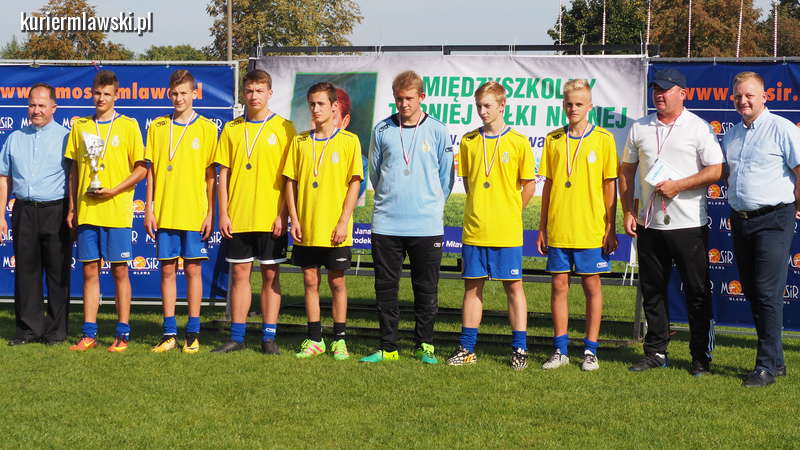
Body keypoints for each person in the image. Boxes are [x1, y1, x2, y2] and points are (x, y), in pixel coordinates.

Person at [620, 68, 723, 376]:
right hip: (650, 223)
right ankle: (655, 351)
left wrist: (680, 185)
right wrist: (628, 211)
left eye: (665, 90)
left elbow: (717, 170)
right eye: (656, 89)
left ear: (683, 93)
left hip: (688, 224)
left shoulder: (698, 128)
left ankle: (700, 357)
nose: (659, 95)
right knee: (652, 290)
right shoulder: (640, 127)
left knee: (696, 291)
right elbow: (626, 171)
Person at [360, 70, 454, 364]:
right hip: (387, 223)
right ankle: (388, 347)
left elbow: (446, 177)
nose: (404, 104)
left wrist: (430, 205)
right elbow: (375, 172)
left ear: (422, 97)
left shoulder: (437, 130)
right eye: (399, 99)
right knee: (386, 289)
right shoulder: (382, 129)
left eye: (409, 99)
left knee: (425, 289)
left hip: (426, 225)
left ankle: (424, 345)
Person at [445, 81, 535, 370]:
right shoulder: (468, 141)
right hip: (475, 229)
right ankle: (467, 348)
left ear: (502, 105)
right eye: (478, 106)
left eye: (487, 106)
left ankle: (520, 348)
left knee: (514, 288)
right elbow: (469, 184)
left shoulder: (518, 142)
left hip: (507, 231)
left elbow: (529, 185)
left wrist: (510, 211)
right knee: (472, 288)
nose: (482, 111)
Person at [723, 71, 800, 387]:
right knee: (754, 291)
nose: (743, 101)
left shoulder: (782, 128)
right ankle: (777, 362)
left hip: (774, 219)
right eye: (738, 96)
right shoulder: (731, 135)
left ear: (764, 97)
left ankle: (765, 368)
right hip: (741, 220)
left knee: (767, 292)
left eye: (749, 95)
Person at [536, 78, 618, 371]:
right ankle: (560, 350)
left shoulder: (604, 139)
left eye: (579, 104)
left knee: (591, 286)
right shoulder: (553, 139)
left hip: (590, 228)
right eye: (569, 104)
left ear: (590, 106)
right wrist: (542, 226)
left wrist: (610, 226)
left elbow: (609, 186)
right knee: (559, 286)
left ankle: (590, 351)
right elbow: (548, 185)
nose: (573, 109)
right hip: (559, 227)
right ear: (563, 105)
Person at [212, 69, 296, 354]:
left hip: (270, 217)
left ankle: (269, 337)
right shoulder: (232, 129)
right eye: (249, 90)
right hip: (238, 215)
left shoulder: (285, 128)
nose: (254, 96)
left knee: (271, 275)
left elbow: (289, 178)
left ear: (270, 93)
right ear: (243, 93)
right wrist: (223, 214)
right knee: (239, 275)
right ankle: (237, 336)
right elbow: (222, 174)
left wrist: (283, 214)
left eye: (259, 90)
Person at [66, 70, 147, 352]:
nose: (101, 98)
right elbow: (74, 171)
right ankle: (89, 332)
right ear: (92, 93)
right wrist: (72, 206)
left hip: (116, 210)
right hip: (88, 209)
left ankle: (122, 332)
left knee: (120, 271)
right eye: (97, 93)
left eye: (107, 94)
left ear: (116, 95)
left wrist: (114, 191)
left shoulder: (129, 125)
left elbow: (141, 169)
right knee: (89, 271)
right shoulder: (80, 126)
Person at [283, 82, 362, 360]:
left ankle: (339, 339)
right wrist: (294, 219)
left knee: (337, 282)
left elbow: (354, 184)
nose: (315, 109)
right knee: (309, 281)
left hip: (335, 228)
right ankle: (315, 339)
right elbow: (290, 183)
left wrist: (343, 221)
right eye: (312, 104)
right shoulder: (300, 142)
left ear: (334, 106)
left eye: (321, 104)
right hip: (307, 226)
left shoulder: (349, 141)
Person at [144, 70, 218, 353]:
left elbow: (211, 176)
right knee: (166, 271)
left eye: (184, 93)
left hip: (194, 212)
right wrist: (149, 208)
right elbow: (151, 173)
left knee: (193, 270)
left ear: (194, 94)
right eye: (174, 93)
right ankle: (169, 333)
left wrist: (210, 213)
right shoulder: (158, 126)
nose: (179, 98)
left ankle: (193, 332)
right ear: (168, 94)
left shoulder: (207, 128)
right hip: (165, 211)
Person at [0, 83, 71, 346]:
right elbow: (4, 178)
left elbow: (74, 178)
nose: (36, 110)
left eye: (42, 105)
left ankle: (56, 331)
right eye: (32, 105)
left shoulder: (66, 138)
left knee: (57, 272)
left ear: (54, 107)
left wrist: (73, 210)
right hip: (24, 210)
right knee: (26, 272)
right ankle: (28, 329)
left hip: (56, 210)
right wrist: (0, 215)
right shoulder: (14, 138)